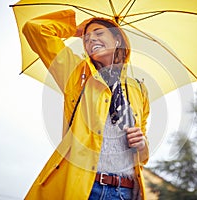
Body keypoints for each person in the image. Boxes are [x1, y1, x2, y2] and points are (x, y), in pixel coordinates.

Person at [22, 9, 150, 200]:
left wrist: (142, 144)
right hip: (86, 189)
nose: (91, 40)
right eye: (87, 39)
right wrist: (76, 28)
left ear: (117, 40)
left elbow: (143, 154)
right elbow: (34, 29)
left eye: (99, 33)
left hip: (125, 191)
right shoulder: (75, 73)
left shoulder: (139, 89)